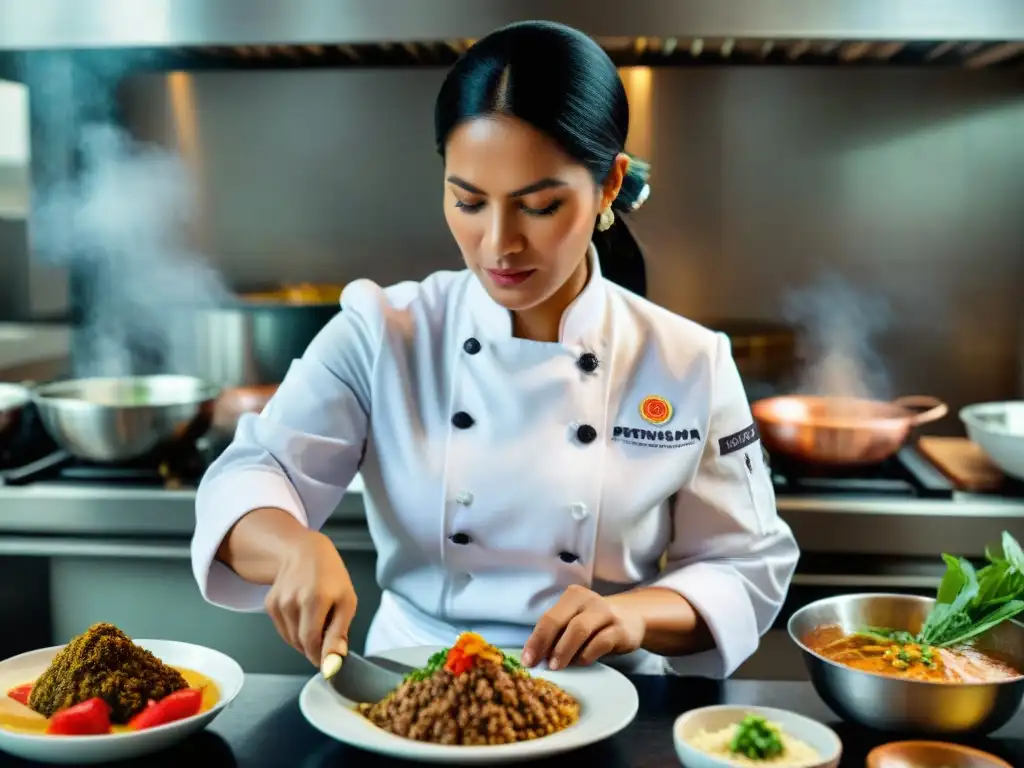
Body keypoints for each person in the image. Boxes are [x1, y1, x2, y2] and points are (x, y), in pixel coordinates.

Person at [191, 20, 799, 679]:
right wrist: (291, 550)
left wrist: (638, 615)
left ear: (610, 185)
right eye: (469, 201)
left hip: (607, 697)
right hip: (412, 686)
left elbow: (746, 563)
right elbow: (252, 472)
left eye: (539, 206)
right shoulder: (383, 332)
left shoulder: (689, 361)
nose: (499, 244)